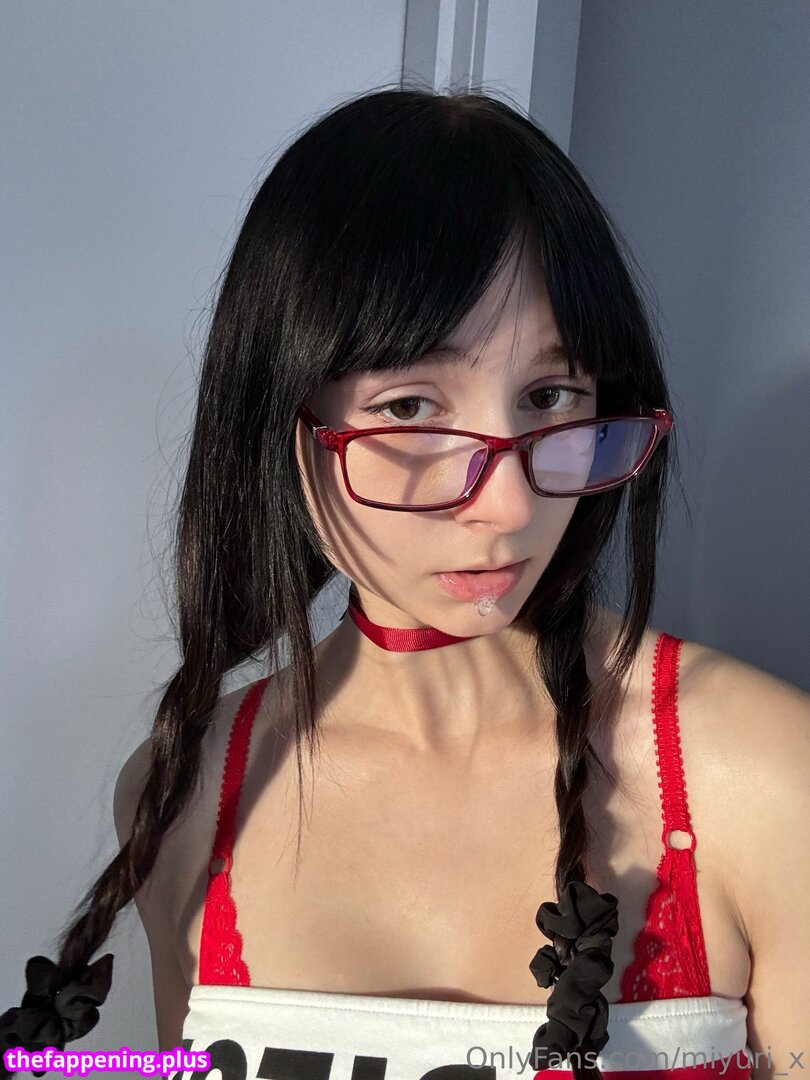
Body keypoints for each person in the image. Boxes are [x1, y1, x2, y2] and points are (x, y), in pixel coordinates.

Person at [2, 86, 808, 1080]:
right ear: (279, 420)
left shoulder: (763, 776)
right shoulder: (188, 795)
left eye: (550, 394)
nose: (508, 505)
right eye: (412, 406)